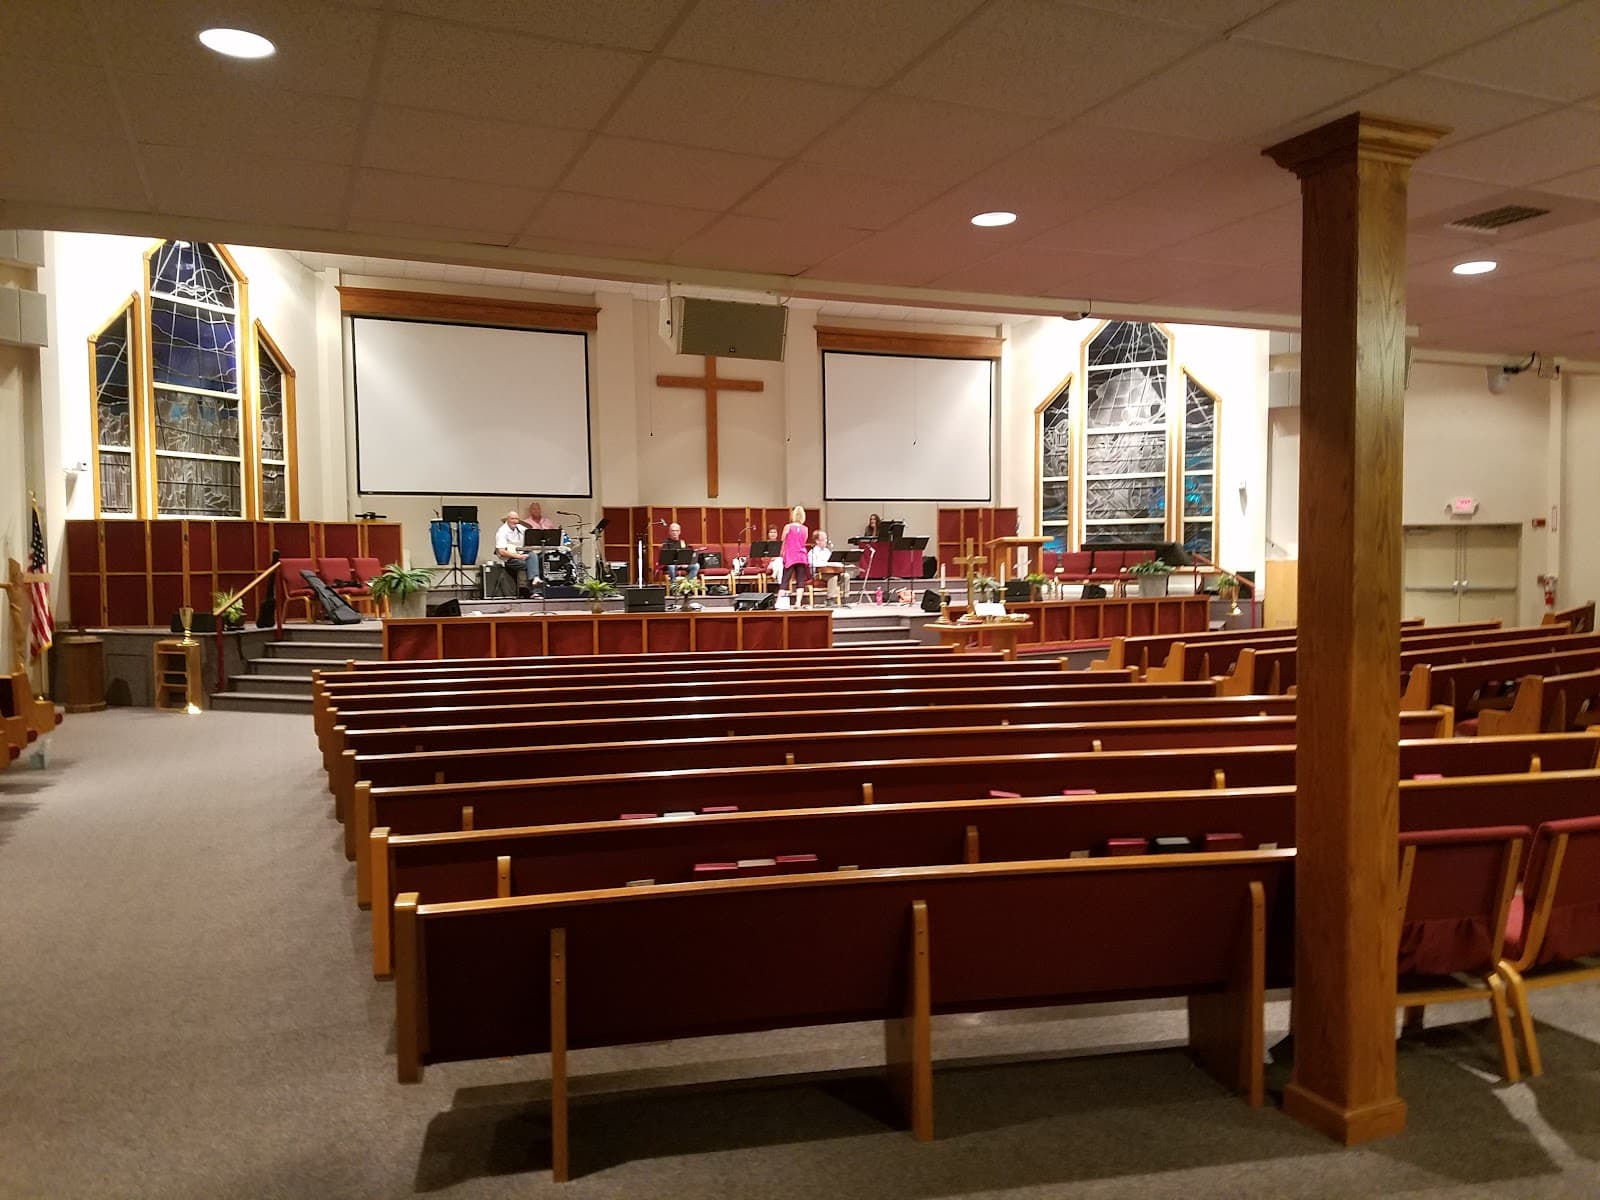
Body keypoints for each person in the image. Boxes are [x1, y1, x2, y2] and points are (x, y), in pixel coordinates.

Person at [493, 509, 533, 594]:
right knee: (529, 564)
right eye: (512, 519)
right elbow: (501, 551)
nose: (515, 521)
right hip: (510, 559)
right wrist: (519, 556)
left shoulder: (519, 527)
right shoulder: (502, 531)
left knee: (536, 557)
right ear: (507, 519)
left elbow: (530, 533)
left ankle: (536, 587)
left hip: (521, 555)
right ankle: (528, 590)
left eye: (516, 519)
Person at [780, 505, 810, 599]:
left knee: (785, 579)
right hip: (801, 556)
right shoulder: (805, 529)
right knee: (800, 580)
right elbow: (804, 541)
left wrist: (781, 553)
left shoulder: (788, 527)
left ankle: (779, 601)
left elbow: (783, 541)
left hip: (790, 556)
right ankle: (798, 602)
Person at [763, 525, 782, 590]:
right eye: (771, 532)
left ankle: (775, 574)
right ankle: (781, 587)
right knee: (779, 561)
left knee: (779, 562)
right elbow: (763, 558)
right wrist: (771, 559)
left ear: (777, 534)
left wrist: (776, 558)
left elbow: (784, 555)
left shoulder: (781, 544)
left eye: (774, 532)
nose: (773, 534)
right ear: (768, 534)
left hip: (778, 564)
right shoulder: (765, 545)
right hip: (769, 564)